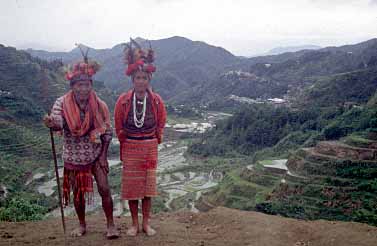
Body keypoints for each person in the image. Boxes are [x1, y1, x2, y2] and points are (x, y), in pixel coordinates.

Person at [43, 48, 119, 239]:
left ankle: (111, 225)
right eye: (79, 85)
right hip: (73, 155)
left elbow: (107, 132)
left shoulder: (99, 104)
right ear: (72, 86)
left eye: (87, 85)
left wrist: (103, 157)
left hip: (95, 153)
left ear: (91, 85)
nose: (83, 89)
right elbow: (58, 122)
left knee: (104, 188)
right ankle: (82, 224)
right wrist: (52, 124)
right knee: (77, 194)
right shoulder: (61, 103)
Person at [114, 39, 167, 237]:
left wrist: (156, 137)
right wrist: (124, 139)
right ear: (132, 80)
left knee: (147, 188)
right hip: (130, 147)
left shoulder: (156, 100)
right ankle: (134, 224)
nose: (141, 81)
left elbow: (161, 121)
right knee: (132, 188)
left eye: (145, 78)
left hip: (149, 148)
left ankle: (146, 223)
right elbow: (118, 123)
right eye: (138, 77)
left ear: (149, 80)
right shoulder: (123, 100)